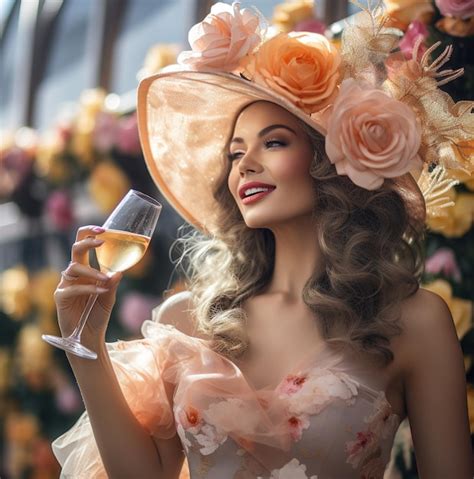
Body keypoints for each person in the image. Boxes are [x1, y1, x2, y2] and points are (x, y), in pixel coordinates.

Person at [50, 2, 473, 478]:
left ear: (329, 162)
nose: (245, 164)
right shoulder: (188, 321)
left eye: (273, 142)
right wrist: (85, 347)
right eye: (234, 153)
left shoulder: (413, 322)